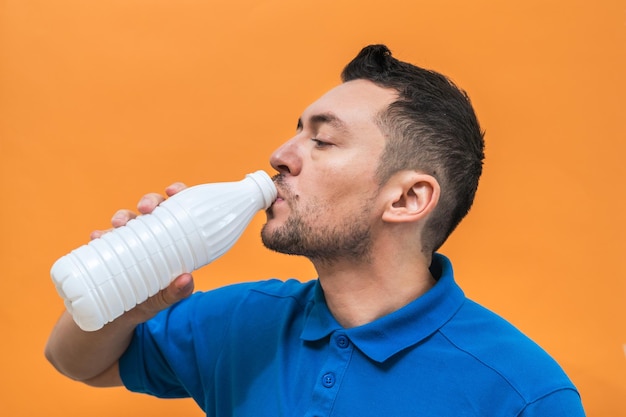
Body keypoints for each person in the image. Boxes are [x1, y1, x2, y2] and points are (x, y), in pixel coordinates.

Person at [45, 44, 586, 416]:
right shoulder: (241, 321)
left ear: (406, 198)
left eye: (322, 141)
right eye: (295, 131)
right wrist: (136, 296)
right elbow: (76, 361)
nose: (280, 155)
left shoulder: (522, 392)